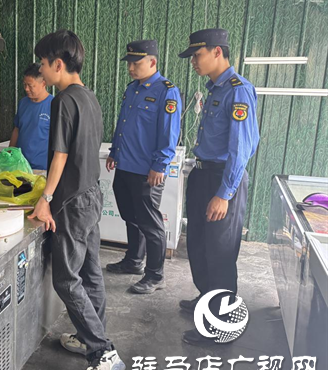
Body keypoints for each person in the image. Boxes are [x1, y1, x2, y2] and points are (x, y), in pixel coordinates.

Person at [29, 29, 125, 370]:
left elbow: (60, 156)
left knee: (66, 279)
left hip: (70, 201)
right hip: (91, 194)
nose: (41, 71)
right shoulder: (89, 97)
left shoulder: (63, 100)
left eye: (42, 64)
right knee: (90, 272)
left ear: (58, 64)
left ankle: (103, 353)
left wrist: (46, 199)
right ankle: (91, 338)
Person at [176, 28, 259, 345]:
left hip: (223, 180)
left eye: (197, 55)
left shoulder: (238, 91)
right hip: (203, 175)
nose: (193, 62)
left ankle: (222, 325)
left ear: (217, 52)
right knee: (198, 245)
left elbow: (242, 148)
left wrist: (224, 194)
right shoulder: (214, 89)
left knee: (220, 253)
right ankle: (207, 298)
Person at [105, 40, 182, 294]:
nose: (130, 68)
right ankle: (133, 261)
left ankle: (155, 275)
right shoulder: (132, 89)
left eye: (136, 63)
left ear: (152, 62)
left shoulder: (166, 91)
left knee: (150, 223)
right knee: (131, 216)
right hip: (125, 164)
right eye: (129, 63)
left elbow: (169, 134)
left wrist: (160, 165)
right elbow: (123, 123)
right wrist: (114, 151)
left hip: (147, 170)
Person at [9, 63, 54, 171]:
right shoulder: (23, 103)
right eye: (24, 84)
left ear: (43, 83)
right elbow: (17, 129)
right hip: (20, 165)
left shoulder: (54, 105)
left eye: (30, 85)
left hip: (42, 167)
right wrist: (10, 152)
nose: (26, 89)